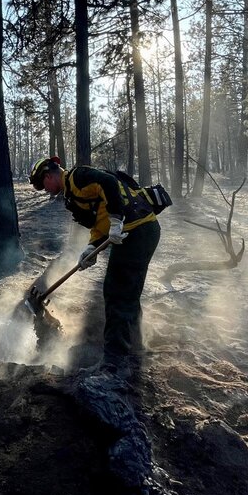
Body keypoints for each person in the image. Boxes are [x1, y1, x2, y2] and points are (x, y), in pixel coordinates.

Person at [28, 156, 161, 372]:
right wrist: (92, 248)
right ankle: (134, 345)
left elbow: (109, 183)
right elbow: (101, 219)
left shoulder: (78, 177)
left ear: (49, 175)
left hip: (136, 231)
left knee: (116, 291)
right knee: (127, 292)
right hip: (140, 231)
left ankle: (114, 359)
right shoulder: (72, 196)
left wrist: (118, 220)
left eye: (43, 185)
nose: (45, 190)